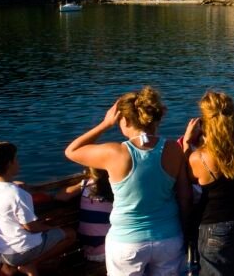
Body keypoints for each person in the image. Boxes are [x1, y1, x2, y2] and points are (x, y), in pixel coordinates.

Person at [65, 86, 191, 276]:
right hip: (168, 237)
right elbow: (184, 197)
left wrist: (104, 124)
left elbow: (71, 151)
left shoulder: (116, 153)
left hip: (127, 242)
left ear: (124, 120)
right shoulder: (174, 149)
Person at [182, 91, 234, 276]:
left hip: (216, 224)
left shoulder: (200, 157)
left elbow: (187, 179)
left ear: (205, 121)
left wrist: (187, 143)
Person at [0, 139, 76, 276]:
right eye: (15, 159)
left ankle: (15, 266)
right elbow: (31, 227)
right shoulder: (18, 195)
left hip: (3, 249)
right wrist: (50, 228)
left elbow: (7, 192)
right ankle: (32, 263)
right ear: (9, 164)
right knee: (70, 234)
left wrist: (15, 185)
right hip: (22, 250)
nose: (18, 162)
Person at [55, 167, 113, 262]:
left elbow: (60, 196)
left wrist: (80, 184)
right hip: (108, 250)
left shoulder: (86, 185)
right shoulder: (115, 187)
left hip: (89, 248)